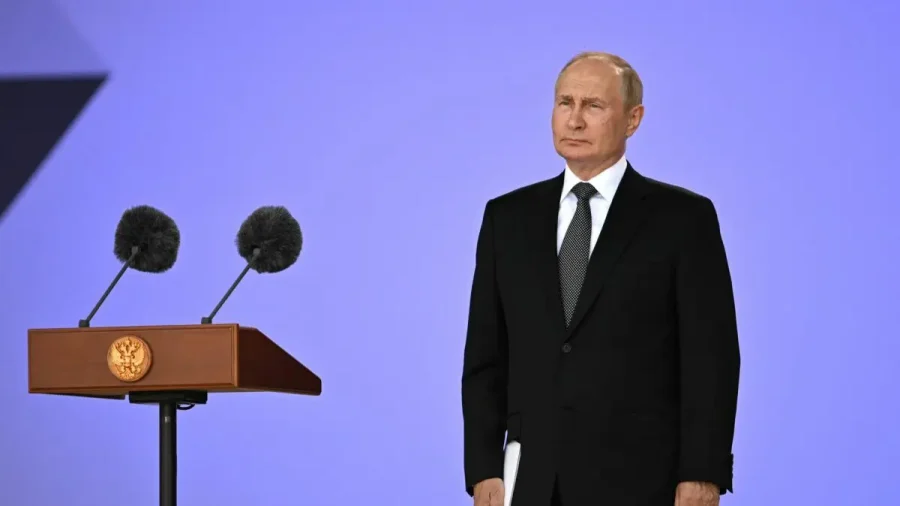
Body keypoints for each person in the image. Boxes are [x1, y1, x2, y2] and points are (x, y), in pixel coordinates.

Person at [461, 51, 741, 506]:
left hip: (644, 482)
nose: (574, 120)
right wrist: (482, 468)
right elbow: (485, 358)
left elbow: (711, 359)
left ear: (633, 119)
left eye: (593, 106)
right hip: (531, 481)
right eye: (564, 103)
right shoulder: (506, 218)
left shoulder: (683, 219)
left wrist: (702, 473)